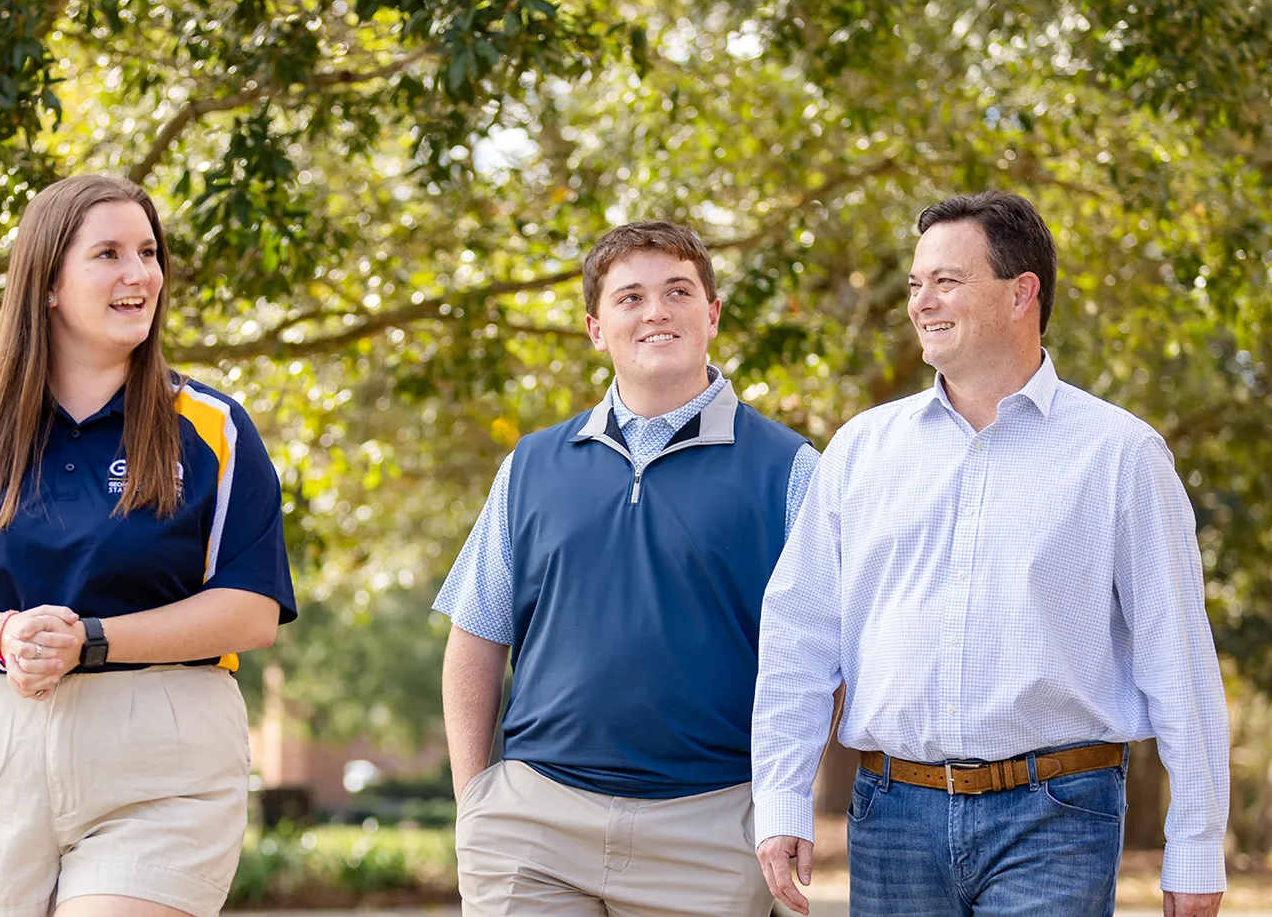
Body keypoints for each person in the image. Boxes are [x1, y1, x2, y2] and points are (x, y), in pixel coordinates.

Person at [751, 191, 1228, 917]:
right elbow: (800, 634)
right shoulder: (859, 450)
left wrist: (1195, 842)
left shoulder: (1121, 455)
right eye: (915, 284)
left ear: (1021, 292)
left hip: (1058, 816)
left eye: (946, 280)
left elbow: (1179, 655)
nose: (921, 302)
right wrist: (782, 797)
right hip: (891, 818)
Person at [0, 174, 297, 917]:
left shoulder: (214, 429)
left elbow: (251, 609)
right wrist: (5, 635)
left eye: (149, 252)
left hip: (160, 753)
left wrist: (89, 641)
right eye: (108, 254)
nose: (140, 275)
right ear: (47, 285)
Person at [434, 220, 820, 917]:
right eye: (630, 297)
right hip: (533, 823)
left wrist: (784, 799)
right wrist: (476, 803)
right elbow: (477, 634)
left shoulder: (793, 471)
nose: (656, 312)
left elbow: (825, 657)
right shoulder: (529, 464)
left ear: (712, 313)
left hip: (709, 827)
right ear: (595, 327)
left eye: (678, 290)